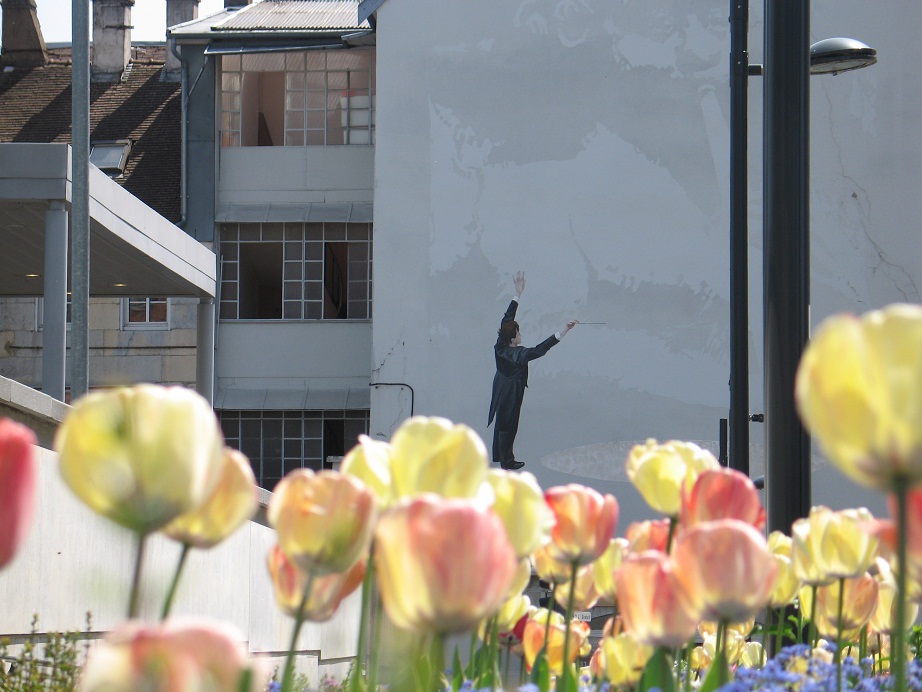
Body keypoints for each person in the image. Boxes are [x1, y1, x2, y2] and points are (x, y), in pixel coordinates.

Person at [488, 271, 578, 470]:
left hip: (501, 387)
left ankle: (502, 457)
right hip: (511, 392)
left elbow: (508, 317)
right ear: (513, 339)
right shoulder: (517, 355)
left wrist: (517, 293)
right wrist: (564, 330)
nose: (520, 334)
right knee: (509, 424)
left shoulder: (500, 344)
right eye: (518, 333)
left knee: (503, 424)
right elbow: (540, 349)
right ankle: (506, 461)